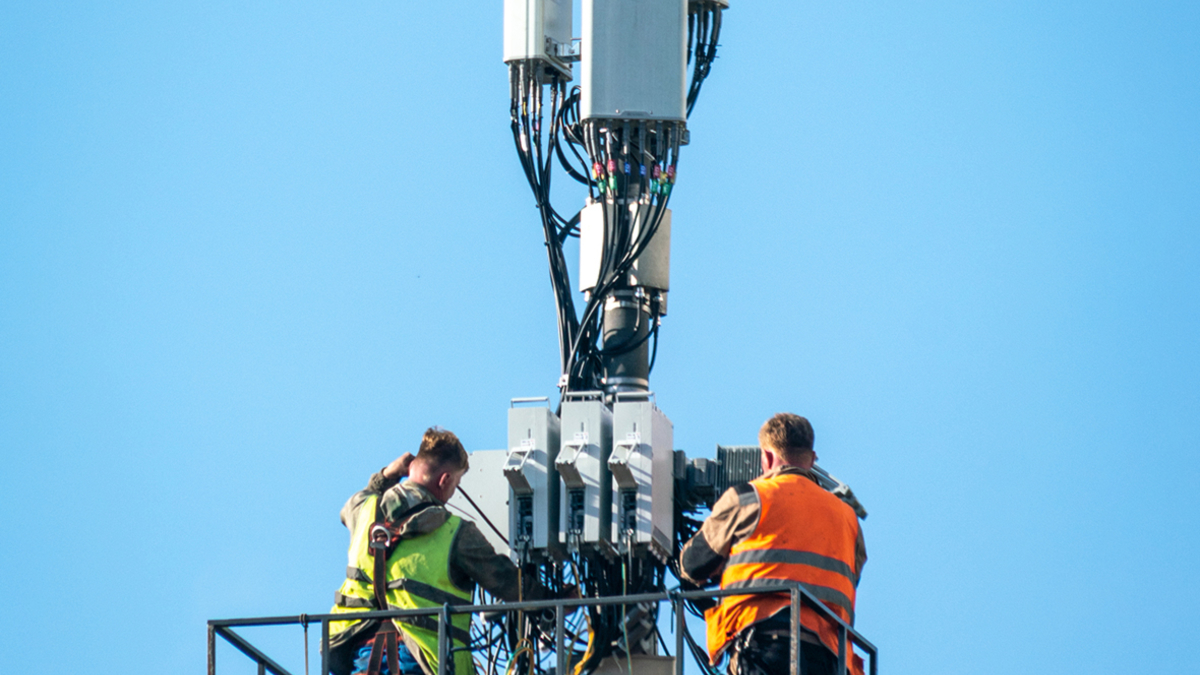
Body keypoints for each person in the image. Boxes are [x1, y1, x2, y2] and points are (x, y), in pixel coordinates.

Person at [327, 427, 549, 675]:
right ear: (444, 481)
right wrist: (555, 601)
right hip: (422, 660)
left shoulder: (363, 509)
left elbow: (354, 503)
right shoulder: (455, 532)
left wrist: (389, 473)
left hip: (360, 655)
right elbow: (506, 581)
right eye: (456, 483)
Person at [679, 413, 867, 675]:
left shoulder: (748, 498)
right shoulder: (849, 519)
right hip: (832, 659)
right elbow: (847, 578)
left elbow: (692, 566)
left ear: (766, 458)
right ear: (812, 460)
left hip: (765, 648)